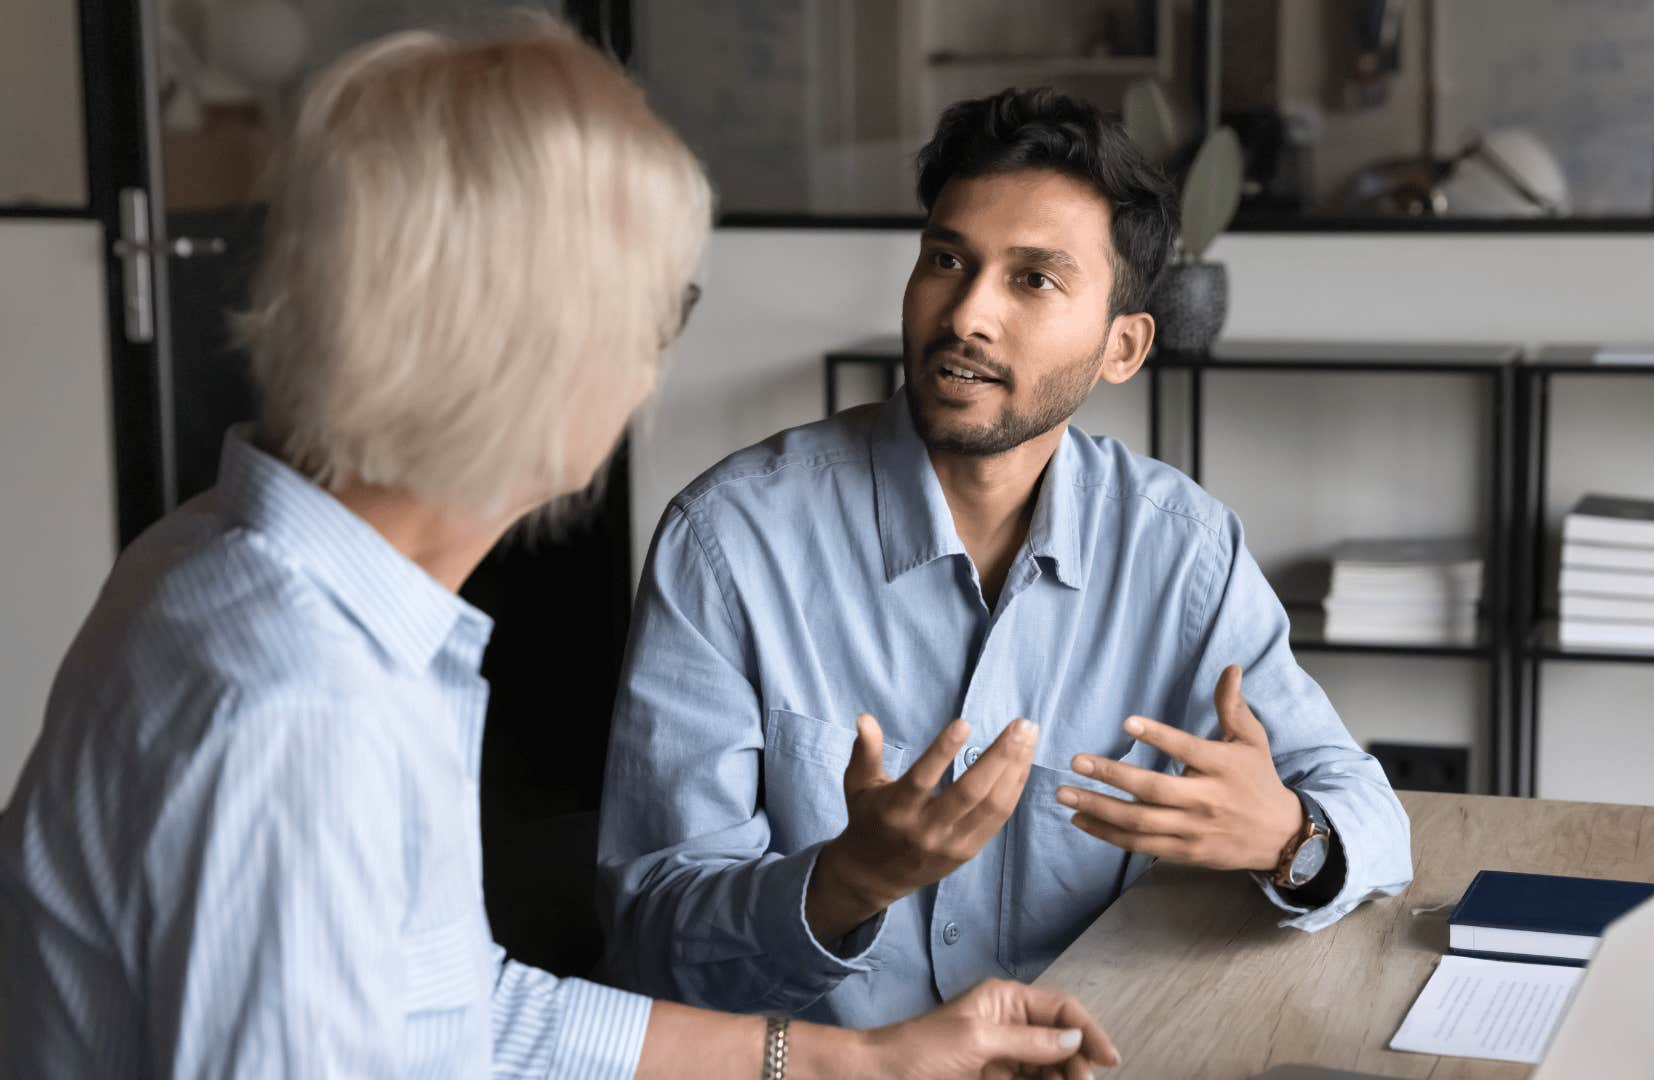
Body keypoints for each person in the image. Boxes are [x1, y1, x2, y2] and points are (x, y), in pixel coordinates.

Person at [0, 22, 1118, 1079]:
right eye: (661, 312)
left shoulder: (225, 559)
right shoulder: (302, 717)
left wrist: (860, 1060)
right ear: (542, 351)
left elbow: (453, 1006)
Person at [597, 87, 1414, 1029]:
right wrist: (844, 882)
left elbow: (1367, 813)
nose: (967, 315)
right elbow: (647, 938)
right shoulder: (728, 541)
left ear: (1123, 346)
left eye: (1033, 280)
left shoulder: (1180, 549)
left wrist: (1287, 838)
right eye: (946, 259)